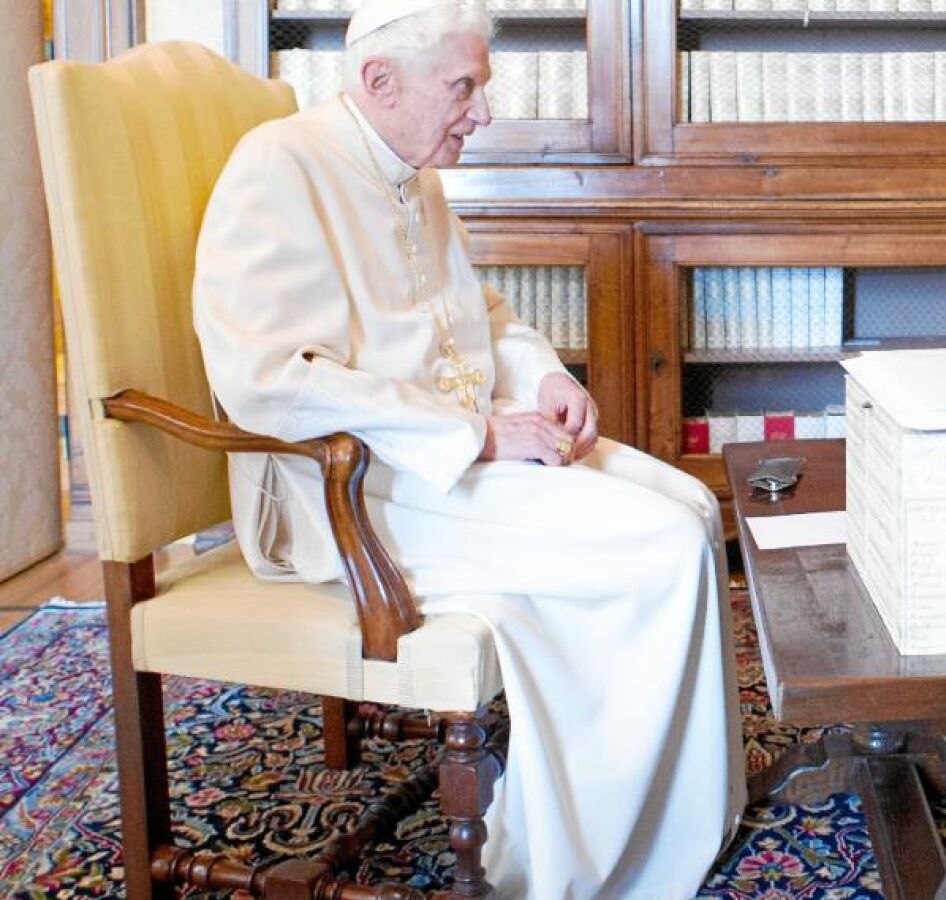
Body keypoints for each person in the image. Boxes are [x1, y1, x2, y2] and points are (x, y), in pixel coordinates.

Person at [191, 1, 746, 897]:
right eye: (463, 86)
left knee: (689, 502)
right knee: (666, 542)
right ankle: (597, 863)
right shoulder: (279, 166)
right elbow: (269, 379)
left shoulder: (408, 169)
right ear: (381, 81)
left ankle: (683, 813)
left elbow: (479, 315)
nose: (482, 112)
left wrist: (544, 378)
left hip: (437, 458)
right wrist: (479, 434)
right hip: (349, 486)